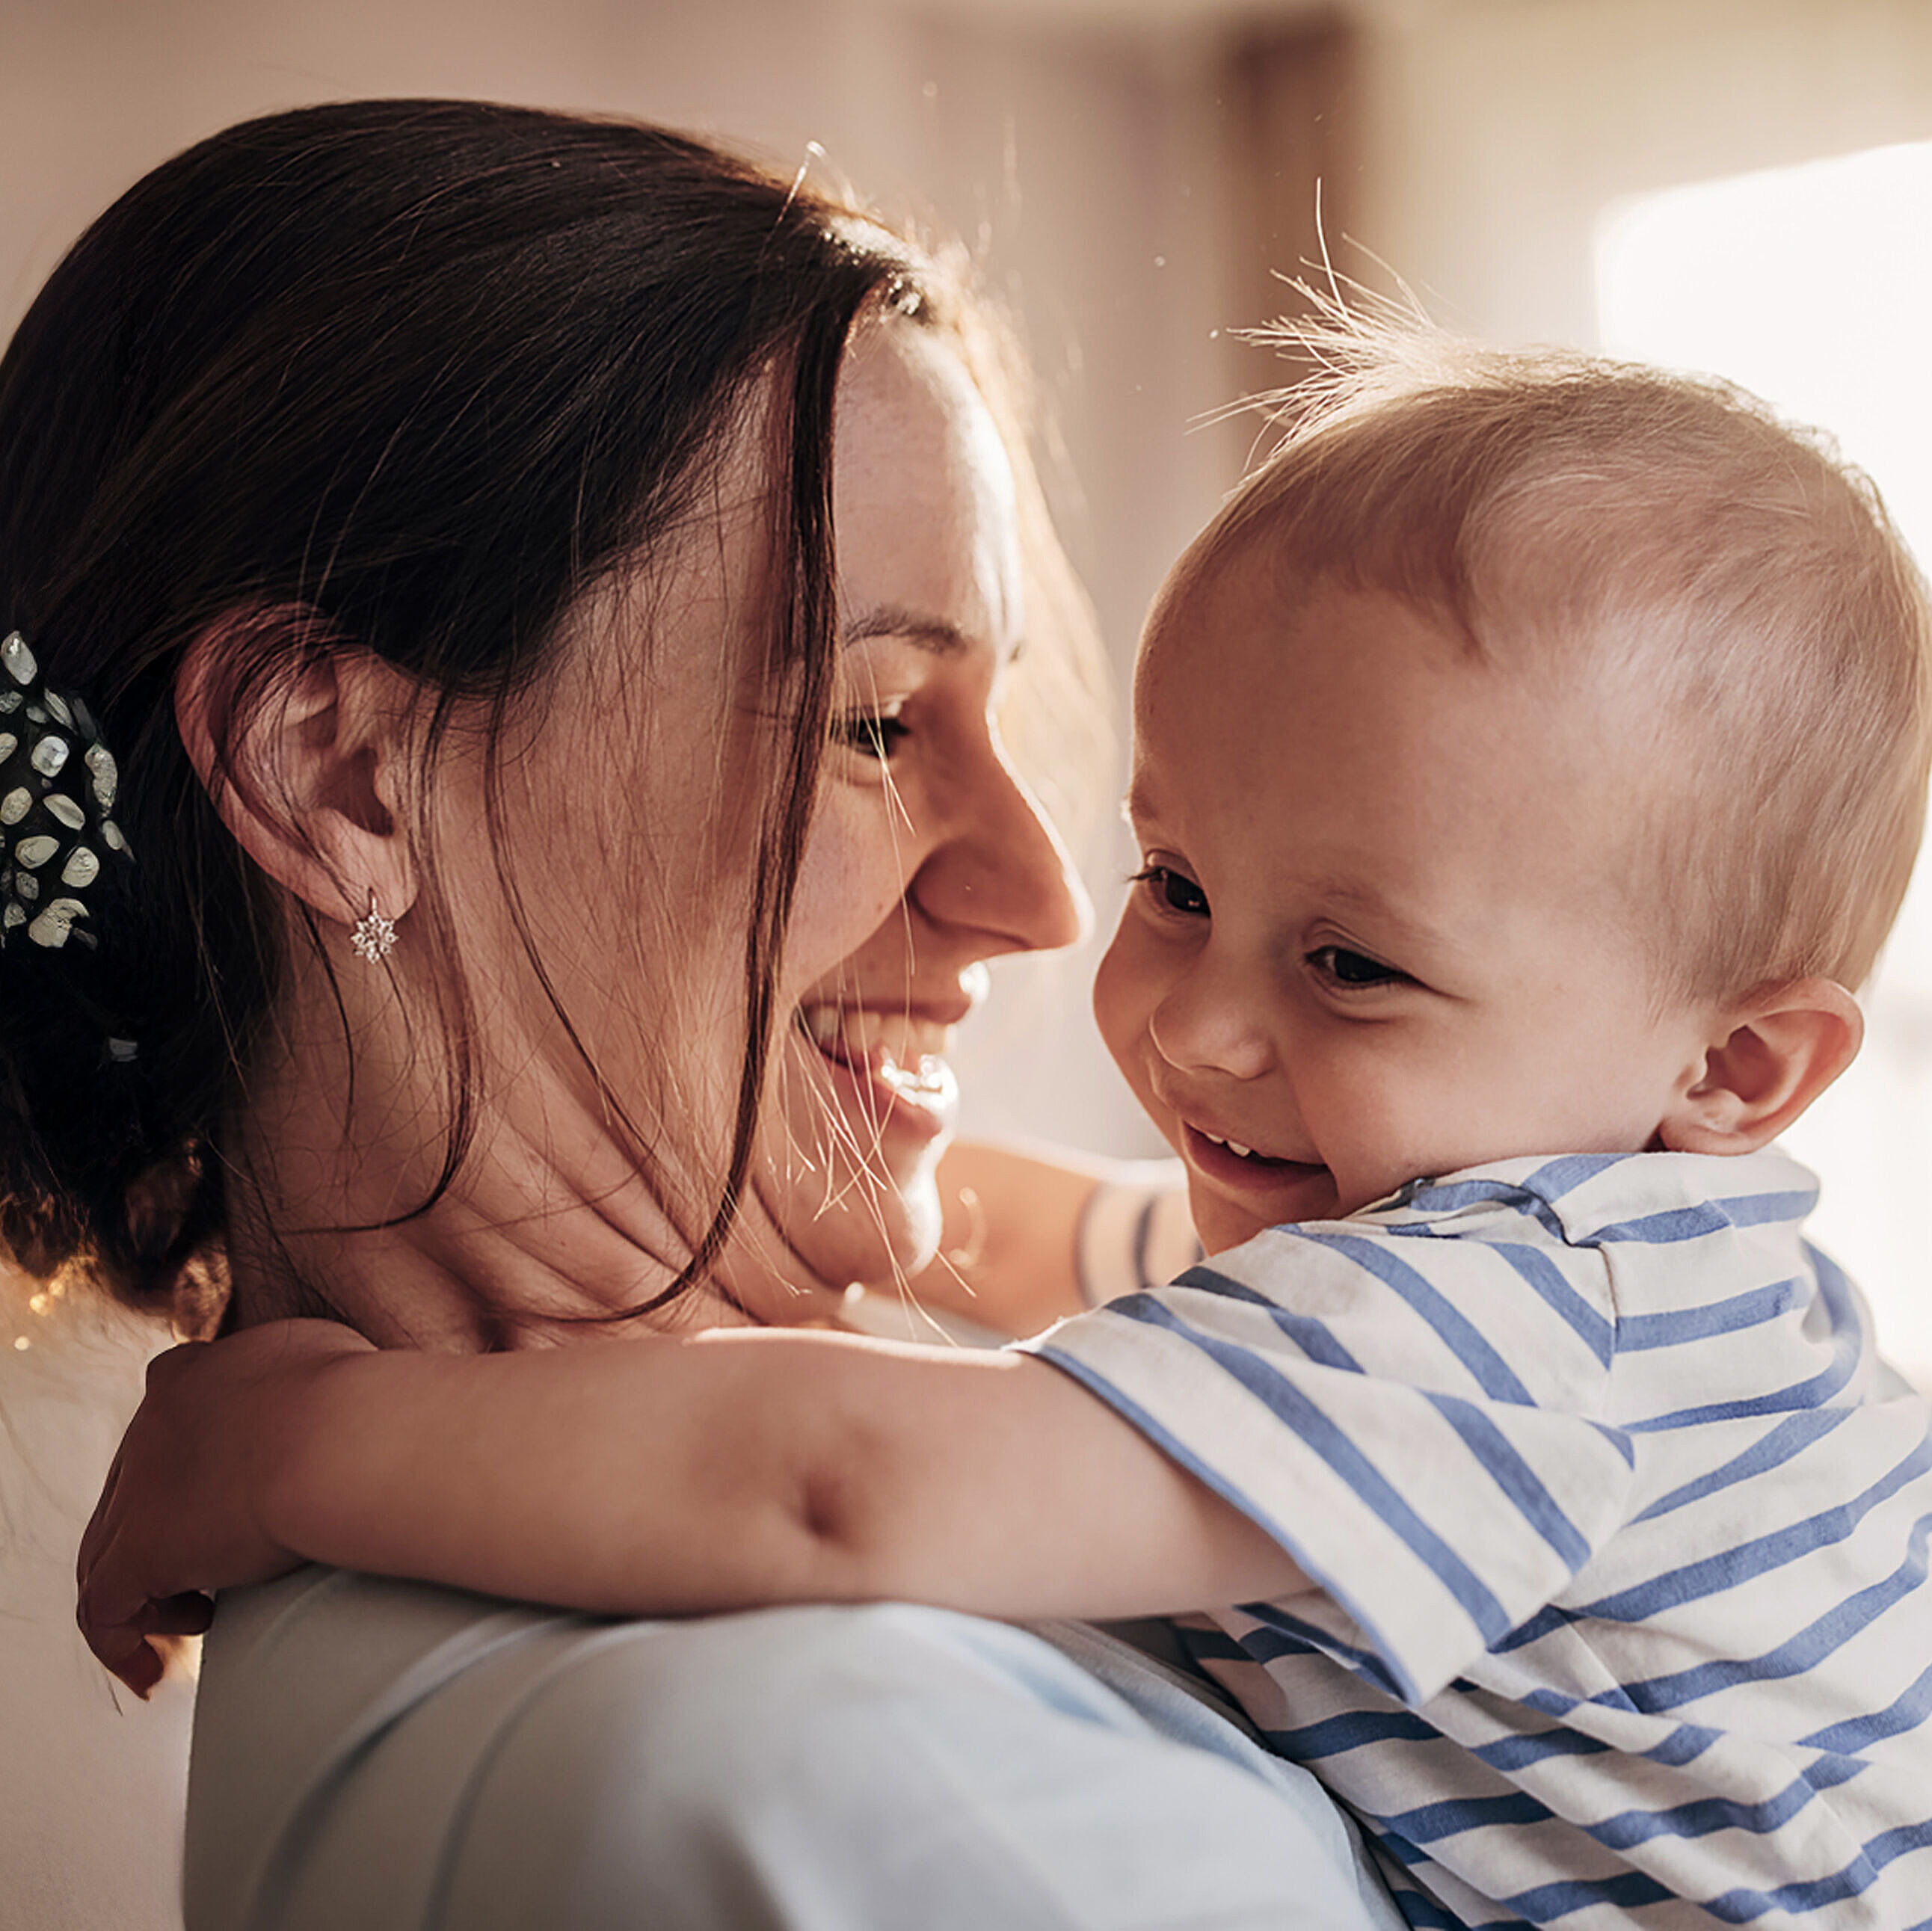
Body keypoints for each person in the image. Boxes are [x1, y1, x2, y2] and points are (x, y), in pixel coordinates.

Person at [82, 318, 1932, 1926]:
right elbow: (1055, 1231)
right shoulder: (1463, 1249)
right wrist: (821, 1125)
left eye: (1351, 961)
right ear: (333, 765)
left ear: (1735, 1070)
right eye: (1180, 878)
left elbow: (837, 1485)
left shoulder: (1502, 1324)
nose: (1185, 1017)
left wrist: (289, 1448)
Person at [7, 99, 1400, 1931]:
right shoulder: (826, 1784)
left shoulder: (370, 1636)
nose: (1045, 901)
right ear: (342, 775)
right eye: (875, 722)